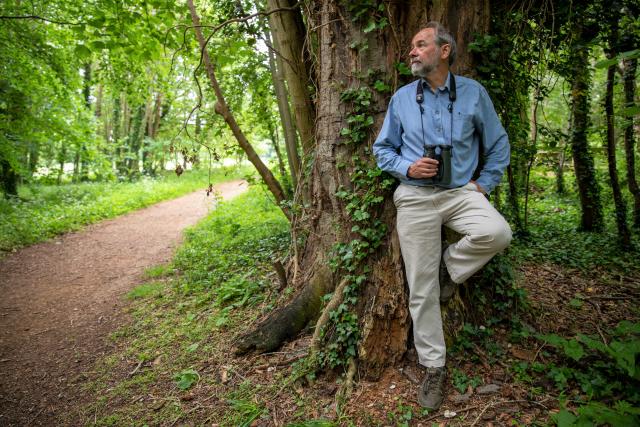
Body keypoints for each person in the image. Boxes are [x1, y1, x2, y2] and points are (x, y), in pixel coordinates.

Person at [373, 22, 512, 411]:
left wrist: (484, 183)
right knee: (421, 289)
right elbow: (382, 150)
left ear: (444, 51)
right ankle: (434, 366)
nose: (413, 52)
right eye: (411, 47)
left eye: (421, 45)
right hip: (415, 198)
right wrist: (406, 167)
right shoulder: (402, 98)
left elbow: (498, 143)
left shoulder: (473, 93)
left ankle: (449, 268)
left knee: (497, 232)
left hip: (460, 193)